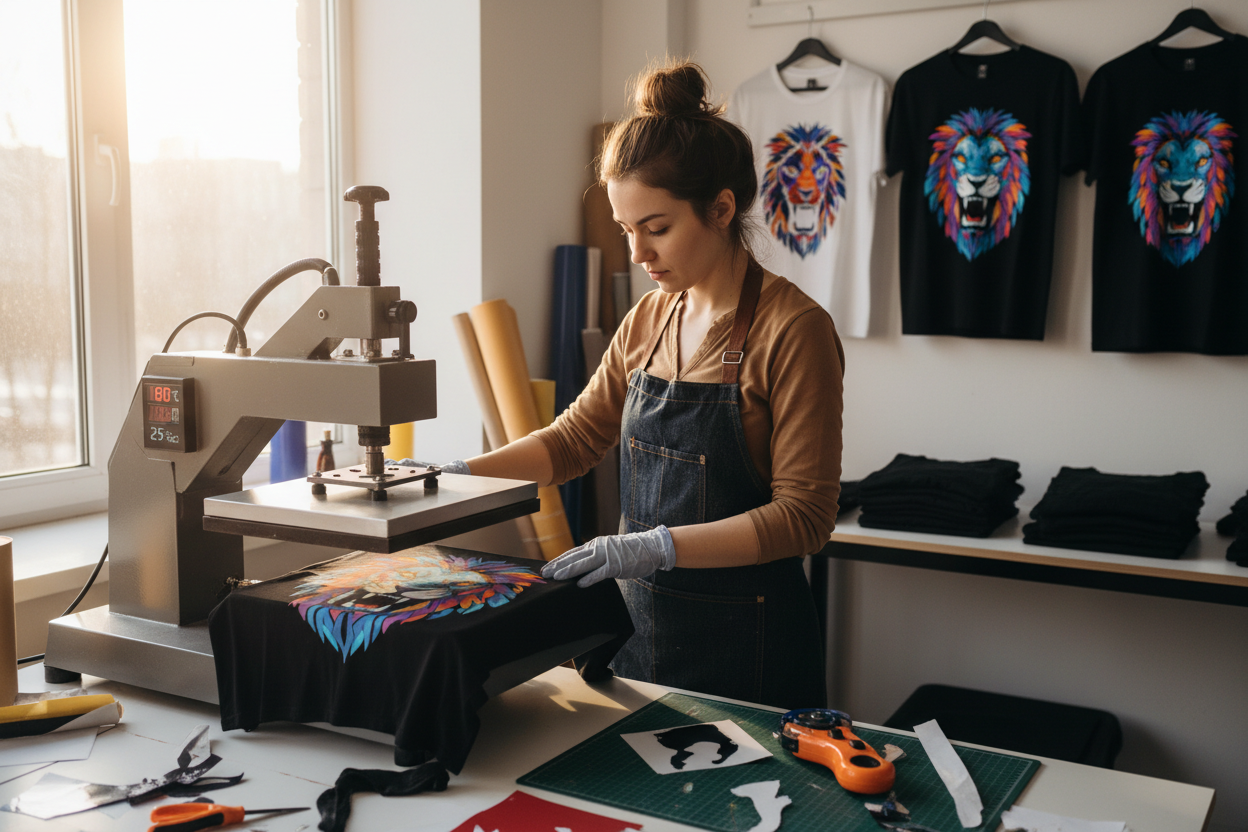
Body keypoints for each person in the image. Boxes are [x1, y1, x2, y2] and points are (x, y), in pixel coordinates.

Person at [441, 60, 844, 709]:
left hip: (751, 653)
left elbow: (804, 519)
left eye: (655, 229)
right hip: (638, 640)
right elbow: (573, 440)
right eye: (626, 230)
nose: (637, 254)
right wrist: (454, 479)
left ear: (720, 209)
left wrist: (656, 547)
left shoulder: (793, 330)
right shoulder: (651, 317)